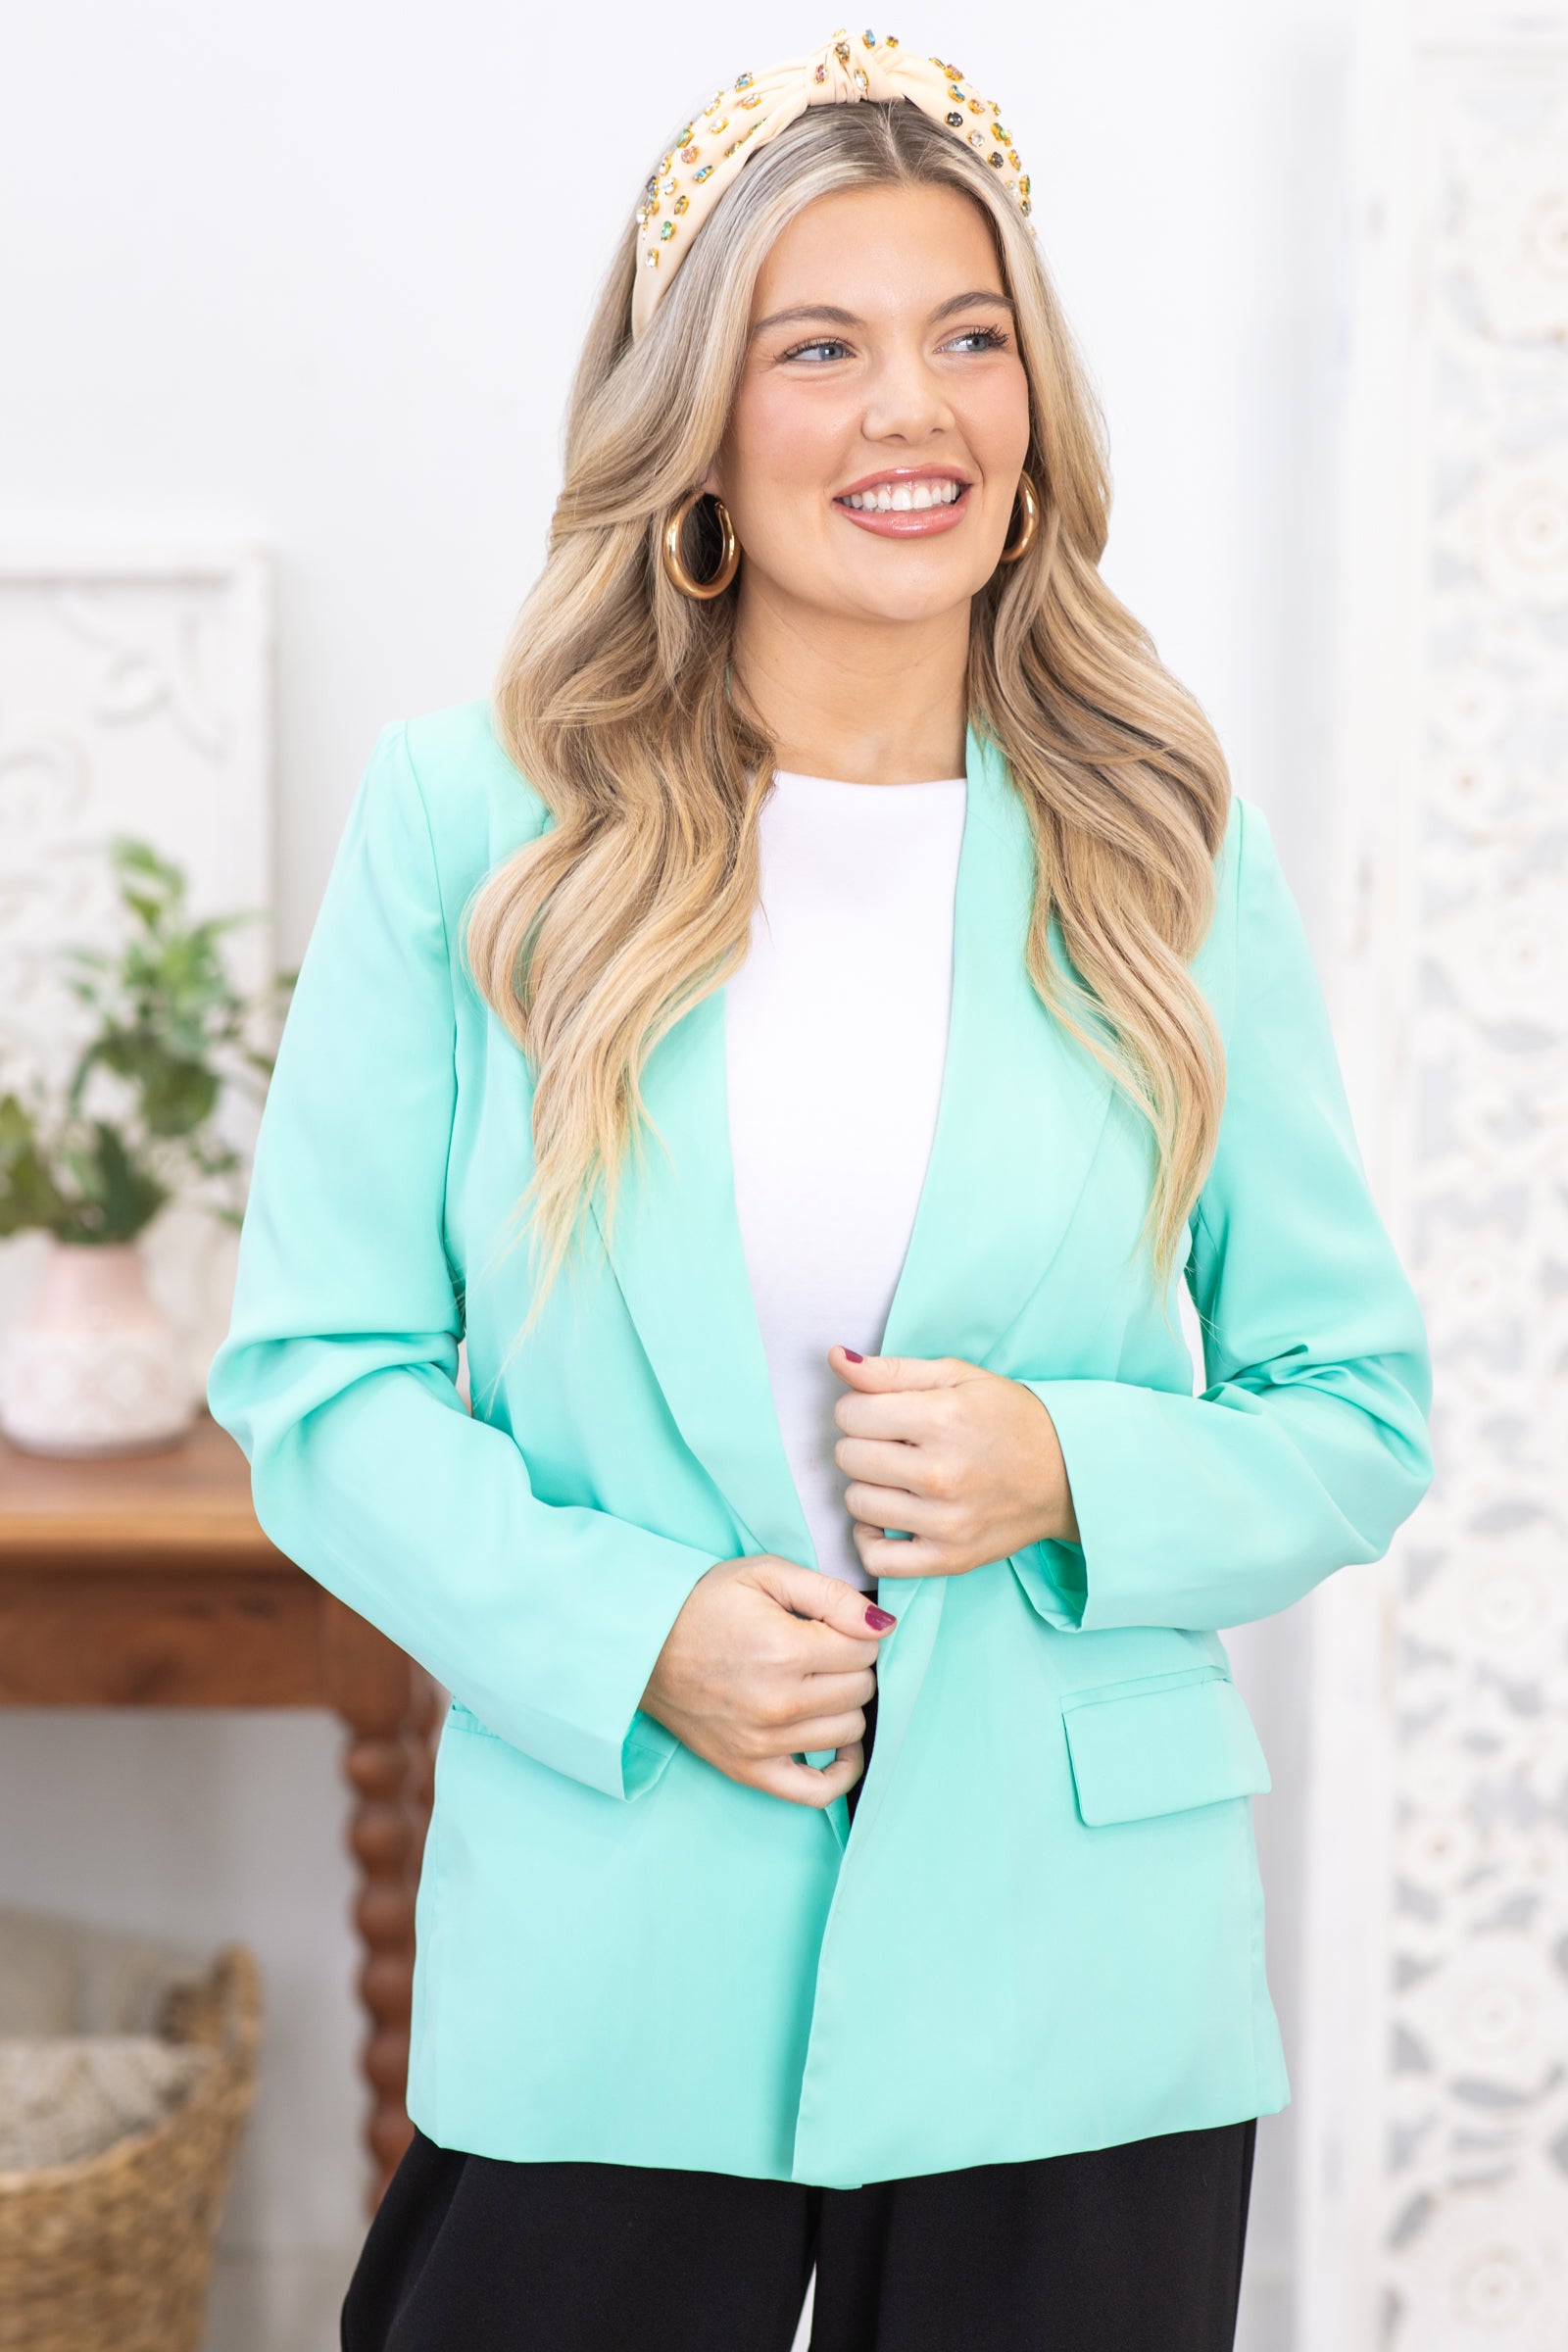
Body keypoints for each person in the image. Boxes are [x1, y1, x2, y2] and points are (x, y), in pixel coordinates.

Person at [207, 27, 1435, 2352]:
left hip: (1077, 1981)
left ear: (1033, 407)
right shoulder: (478, 829)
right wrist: (632, 1633)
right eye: (818, 347)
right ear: (695, 423)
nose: (911, 410)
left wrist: (1064, 1463)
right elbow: (317, 1381)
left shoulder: (1166, 859)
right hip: (612, 1946)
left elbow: (1351, 1409)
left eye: (969, 339)